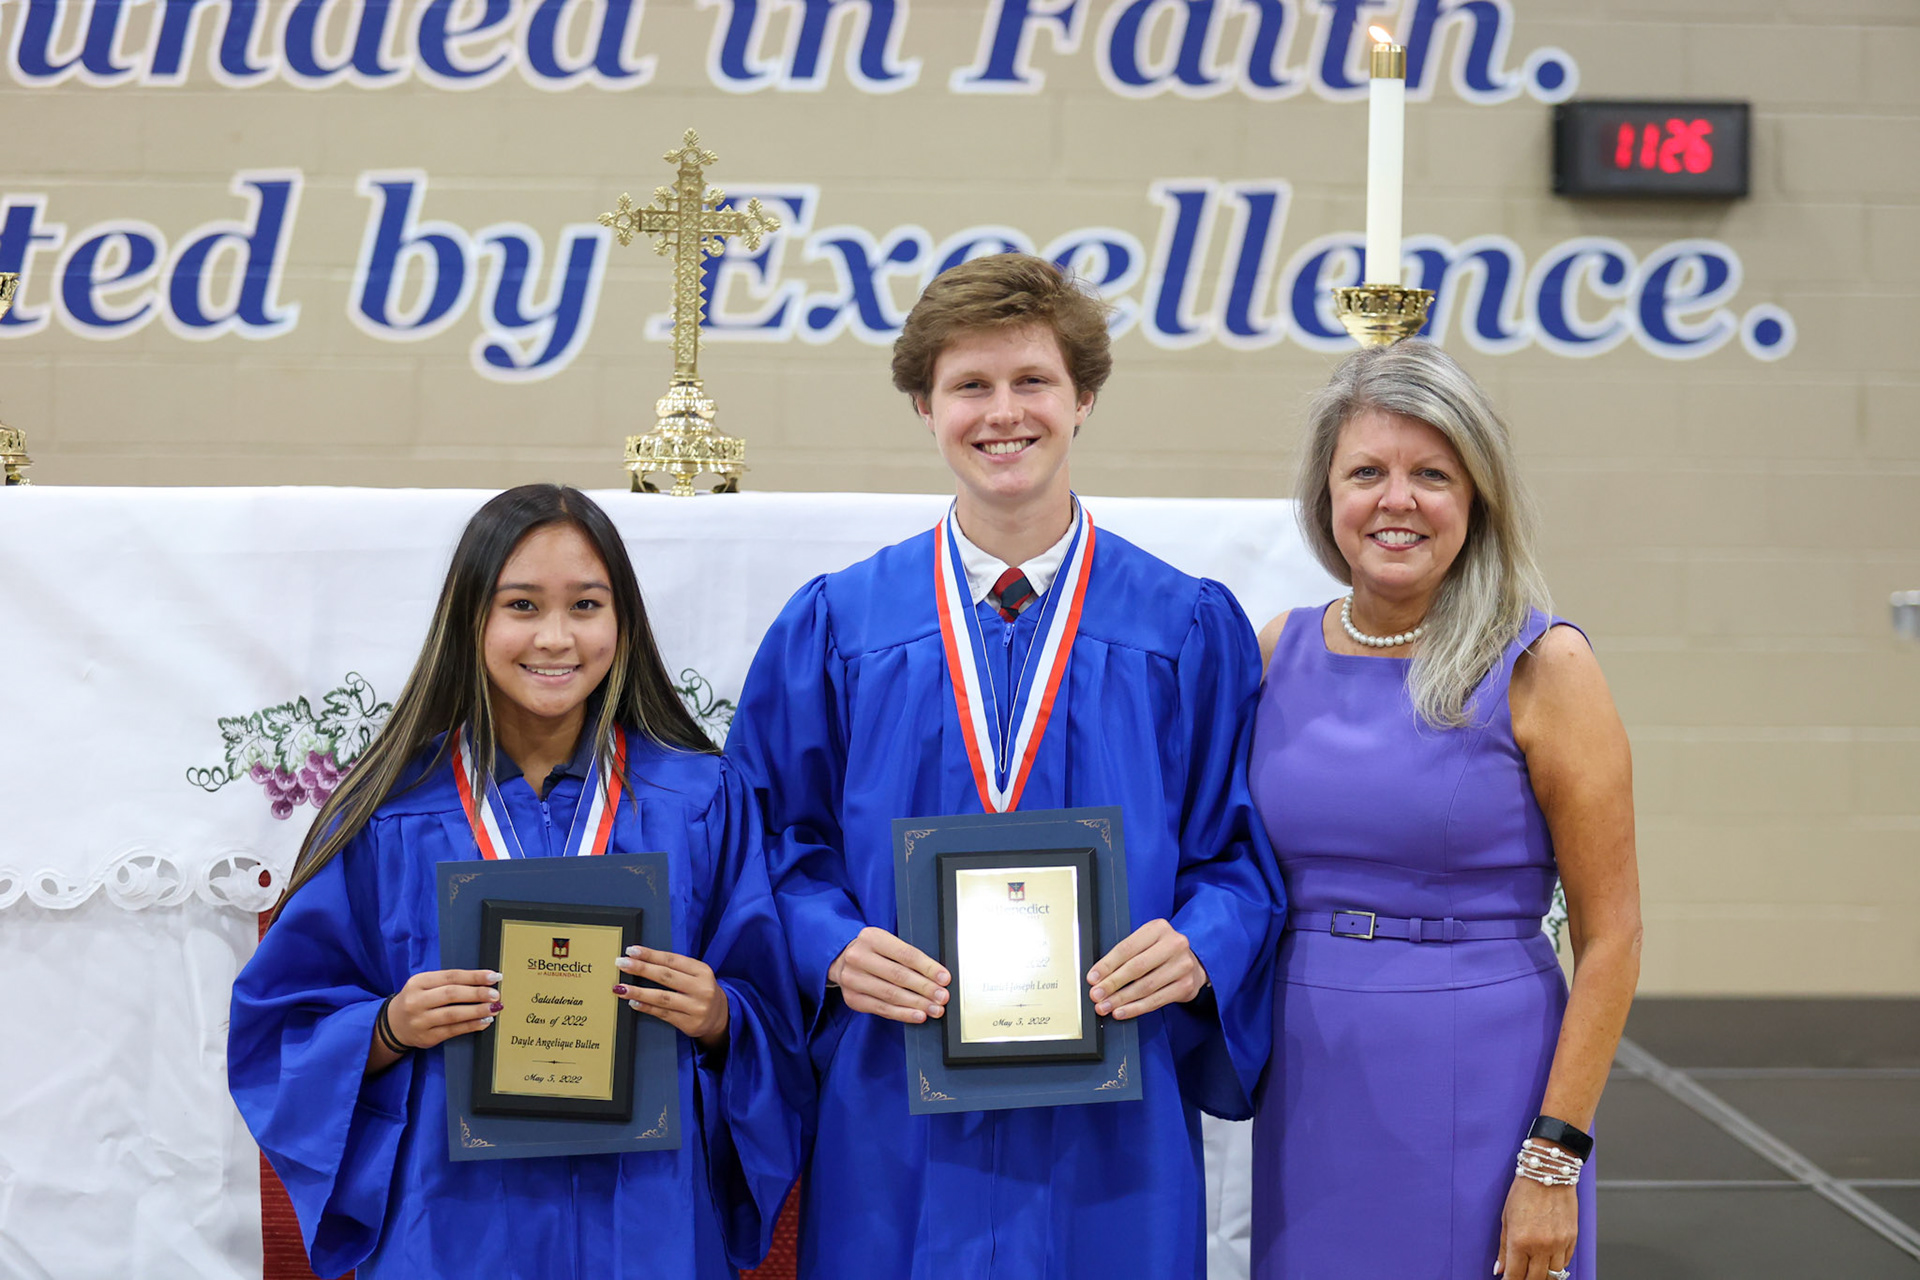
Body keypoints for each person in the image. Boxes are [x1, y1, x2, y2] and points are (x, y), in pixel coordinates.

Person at [725, 253, 1285, 1280]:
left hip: (1112, 1090)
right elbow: (766, 839)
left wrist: (1201, 942)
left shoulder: (1183, 626)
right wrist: (831, 941)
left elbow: (1242, 849)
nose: (1003, 413)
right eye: (969, 385)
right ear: (924, 406)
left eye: (1032, 381)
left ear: (1083, 399)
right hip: (899, 1082)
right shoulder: (841, 625)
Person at [228, 485, 806, 1280]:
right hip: (454, 1217)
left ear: (624, 622)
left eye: (587, 605)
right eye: (523, 605)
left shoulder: (701, 802)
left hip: (646, 1213)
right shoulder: (389, 809)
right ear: (472, 620)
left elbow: (778, 1017)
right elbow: (279, 1027)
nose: (557, 637)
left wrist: (718, 1017)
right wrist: (389, 1026)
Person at [1247, 342, 1641, 1280]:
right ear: (1325, 497)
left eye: (1432, 474)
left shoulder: (1546, 667)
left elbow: (1614, 936)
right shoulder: (1274, 653)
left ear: (1477, 498)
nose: (1397, 500)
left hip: (1483, 1082)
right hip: (1310, 1080)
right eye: (1366, 473)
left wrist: (1553, 1161)